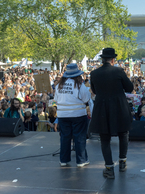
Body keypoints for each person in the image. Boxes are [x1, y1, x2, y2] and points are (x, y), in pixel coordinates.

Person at [89, 48, 134, 179]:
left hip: (102, 107)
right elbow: (129, 88)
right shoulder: (119, 71)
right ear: (113, 59)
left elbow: (94, 90)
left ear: (102, 59)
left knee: (104, 138)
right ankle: (122, 162)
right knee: (123, 133)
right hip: (119, 107)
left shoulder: (94, 73)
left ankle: (109, 168)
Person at [54, 63, 91, 168]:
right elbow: (86, 99)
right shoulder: (79, 85)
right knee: (79, 137)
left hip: (62, 115)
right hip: (78, 114)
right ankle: (81, 160)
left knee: (65, 137)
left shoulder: (58, 86)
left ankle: (63, 160)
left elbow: (56, 100)